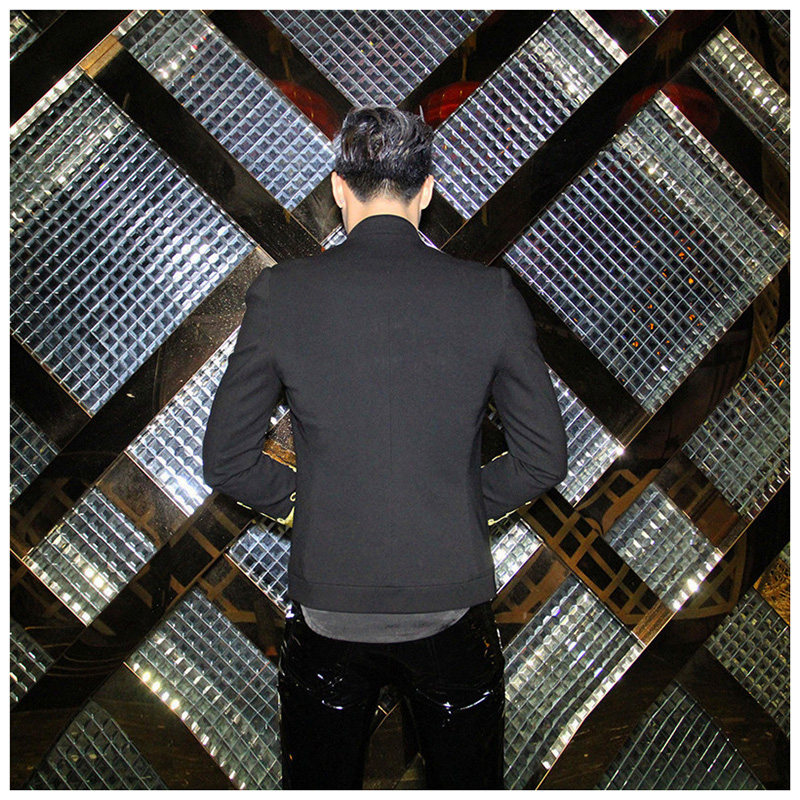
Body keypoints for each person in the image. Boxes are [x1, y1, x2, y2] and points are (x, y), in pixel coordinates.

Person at [202, 106, 568, 789]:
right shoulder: (488, 294)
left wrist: (301, 505)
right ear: (426, 189)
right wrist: (464, 506)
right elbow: (544, 459)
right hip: (450, 604)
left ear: (339, 187)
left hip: (329, 606)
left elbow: (226, 459)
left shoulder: (283, 293)